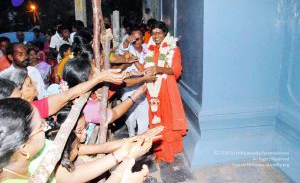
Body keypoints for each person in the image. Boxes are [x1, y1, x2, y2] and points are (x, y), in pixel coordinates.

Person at [0, 98, 150, 183]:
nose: (47, 127)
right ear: (24, 146)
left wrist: (123, 155)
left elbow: (70, 176)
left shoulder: (38, 152)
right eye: (41, 127)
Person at [144, 21, 188, 163]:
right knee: (155, 118)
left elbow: (176, 71)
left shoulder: (173, 50)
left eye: (159, 32)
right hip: (152, 89)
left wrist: (159, 69)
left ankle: (166, 153)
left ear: (165, 34)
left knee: (167, 119)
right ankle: (158, 150)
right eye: (153, 33)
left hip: (167, 89)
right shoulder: (149, 49)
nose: (156, 35)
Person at [118, 25, 150, 136]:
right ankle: (131, 135)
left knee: (144, 117)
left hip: (144, 87)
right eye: (134, 38)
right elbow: (123, 49)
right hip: (129, 88)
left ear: (143, 38)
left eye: (139, 38)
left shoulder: (147, 48)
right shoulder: (128, 48)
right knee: (130, 117)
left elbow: (148, 68)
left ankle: (141, 140)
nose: (137, 41)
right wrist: (127, 41)